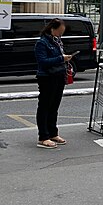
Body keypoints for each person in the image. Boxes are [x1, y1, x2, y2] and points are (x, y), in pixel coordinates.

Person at [34, 18, 74, 148]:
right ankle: (43, 136)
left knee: (54, 106)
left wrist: (65, 59)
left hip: (58, 75)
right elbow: (43, 61)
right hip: (47, 77)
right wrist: (61, 58)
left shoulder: (57, 42)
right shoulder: (42, 43)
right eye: (59, 31)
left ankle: (53, 133)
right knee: (45, 106)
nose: (61, 34)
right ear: (52, 29)